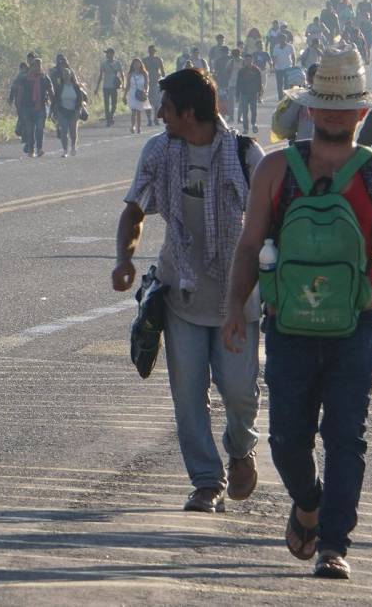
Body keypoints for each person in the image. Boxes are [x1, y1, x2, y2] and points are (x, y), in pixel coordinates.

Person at [221, 47, 372, 579]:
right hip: (288, 325)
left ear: (361, 112)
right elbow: (248, 244)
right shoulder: (276, 169)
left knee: (346, 436)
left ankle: (334, 543)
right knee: (286, 436)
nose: (334, 113)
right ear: (310, 109)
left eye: (344, 105)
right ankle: (308, 503)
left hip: (356, 325)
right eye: (325, 103)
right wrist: (234, 307)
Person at [112, 68, 264, 516]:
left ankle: (240, 449)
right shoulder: (158, 152)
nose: (158, 114)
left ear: (189, 112)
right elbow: (135, 209)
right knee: (188, 395)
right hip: (181, 292)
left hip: (237, 296)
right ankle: (205, 482)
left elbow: (271, 216)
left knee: (239, 391)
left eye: (166, 107)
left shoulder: (244, 153)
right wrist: (124, 258)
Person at [17, 58, 54, 156]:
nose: (37, 67)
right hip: (27, 108)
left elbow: (51, 93)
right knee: (30, 130)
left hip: (41, 107)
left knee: (40, 128)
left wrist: (54, 105)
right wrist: (19, 108)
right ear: (31, 66)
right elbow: (20, 94)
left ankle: (39, 148)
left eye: (39, 65)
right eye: (35, 65)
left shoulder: (44, 78)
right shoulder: (24, 79)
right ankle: (31, 150)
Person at [51, 60, 87, 158]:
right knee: (63, 131)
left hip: (73, 111)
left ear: (71, 75)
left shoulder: (75, 87)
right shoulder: (59, 87)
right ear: (62, 76)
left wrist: (78, 110)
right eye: (64, 74)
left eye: (67, 74)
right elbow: (55, 100)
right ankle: (65, 150)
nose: (66, 75)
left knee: (73, 131)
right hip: (62, 111)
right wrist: (55, 112)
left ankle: (73, 147)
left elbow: (80, 99)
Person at [234, 52, 264, 135]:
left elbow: (259, 82)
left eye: (249, 60)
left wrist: (260, 94)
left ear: (252, 60)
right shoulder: (241, 71)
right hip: (244, 94)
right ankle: (245, 128)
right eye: (246, 60)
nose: (248, 61)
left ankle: (254, 124)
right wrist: (237, 95)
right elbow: (238, 83)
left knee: (254, 110)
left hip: (253, 93)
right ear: (245, 61)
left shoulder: (256, 70)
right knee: (245, 111)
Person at [95, 48, 125, 127]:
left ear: (112, 54)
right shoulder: (103, 63)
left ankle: (111, 115)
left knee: (114, 103)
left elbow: (122, 74)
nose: (107, 55)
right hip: (106, 86)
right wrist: (97, 88)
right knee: (106, 104)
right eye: (106, 53)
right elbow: (100, 76)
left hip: (114, 86)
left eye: (108, 53)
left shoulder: (117, 63)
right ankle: (108, 120)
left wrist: (123, 84)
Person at [125, 58, 152, 135]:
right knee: (133, 110)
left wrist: (146, 91)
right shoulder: (130, 74)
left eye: (138, 63)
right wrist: (124, 95)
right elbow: (128, 85)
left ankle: (139, 127)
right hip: (133, 93)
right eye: (135, 64)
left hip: (141, 93)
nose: (136, 65)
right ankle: (133, 126)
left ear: (141, 64)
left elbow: (147, 84)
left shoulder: (144, 73)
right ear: (132, 65)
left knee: (139, 111)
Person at [143, 45, 166, 127]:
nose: (151, 52)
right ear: (148, 51)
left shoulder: (159, 60)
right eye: (150, 50)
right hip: (147, 83)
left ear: (155, 51)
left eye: (153, 50)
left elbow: (163, 72)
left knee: (156, 102)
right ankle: (149, 119)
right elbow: (142, 72)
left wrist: (163, 81)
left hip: (156, 82)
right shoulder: (145, 60)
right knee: (147, 102)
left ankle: (155, 118)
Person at [271, 32, 296, 99]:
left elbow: (293, 56)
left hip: (288, 67)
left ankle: (285, 97)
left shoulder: (290, 46)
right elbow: (274, 57)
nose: (282, 40)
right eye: (281, 39)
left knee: (286, 83)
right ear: (279, 39)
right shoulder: (276, 47)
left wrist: (294, 65)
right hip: (278, 67)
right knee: (279, 84)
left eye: (284, 38)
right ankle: (280, 97)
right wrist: (273, 66)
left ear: (286, 39)